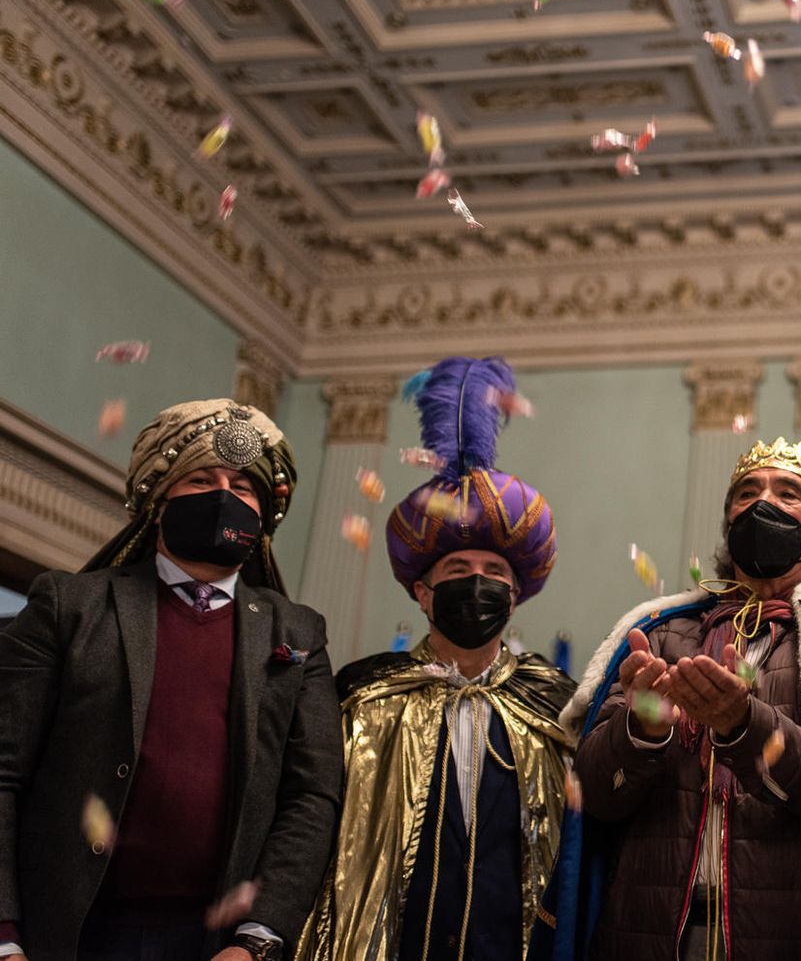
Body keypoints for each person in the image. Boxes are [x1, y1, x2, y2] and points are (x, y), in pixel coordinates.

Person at [538, 437, 801, 961]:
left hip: (797, 935)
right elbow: (594, 798)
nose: (763, 504)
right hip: (647, 931)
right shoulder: (660, 635)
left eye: (788, 493)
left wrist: (744, 726)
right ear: (728, 521)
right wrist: (640, 731)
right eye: (746, 493)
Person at [0, 399, 342, 961]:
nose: (225, 496)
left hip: (214, 943)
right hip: (64, 932)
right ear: (157, 504)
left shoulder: (299, 631)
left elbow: (312, 795)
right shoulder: (70, 607)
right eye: (202, 479)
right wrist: (5, 936)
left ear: (264, 517)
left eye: (244, 487)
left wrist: (258, 937)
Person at [297, 357, 575, 961]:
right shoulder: (361, 694)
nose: (477, 584)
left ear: (514, 595)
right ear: (423, 593)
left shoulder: (558, 701)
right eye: (457, 571)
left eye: (494, 573)